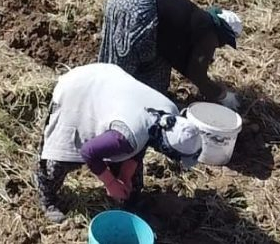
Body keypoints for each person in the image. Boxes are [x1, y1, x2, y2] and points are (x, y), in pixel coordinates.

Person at [35, 63, 202, 223]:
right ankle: (47, 198)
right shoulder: (126, 136)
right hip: (81, 89)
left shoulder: (170, 115)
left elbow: (147, 137)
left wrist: (125, 176)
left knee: (131, 171)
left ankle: (131, 201)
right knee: (60, 158)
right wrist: (110, 182)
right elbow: (89, 152)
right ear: (166, 148)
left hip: (113, 91)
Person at [98, 0, 243, 111]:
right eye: (224, 42)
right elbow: (197, 75)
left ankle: (125, 97)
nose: (220, 46)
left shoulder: (196, 18)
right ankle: (110, 109)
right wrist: (222, 95)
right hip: (140, 9)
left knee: (150, 72)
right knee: (120, 75)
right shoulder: (208, 34)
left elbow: (175, 52)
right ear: (222, 34)